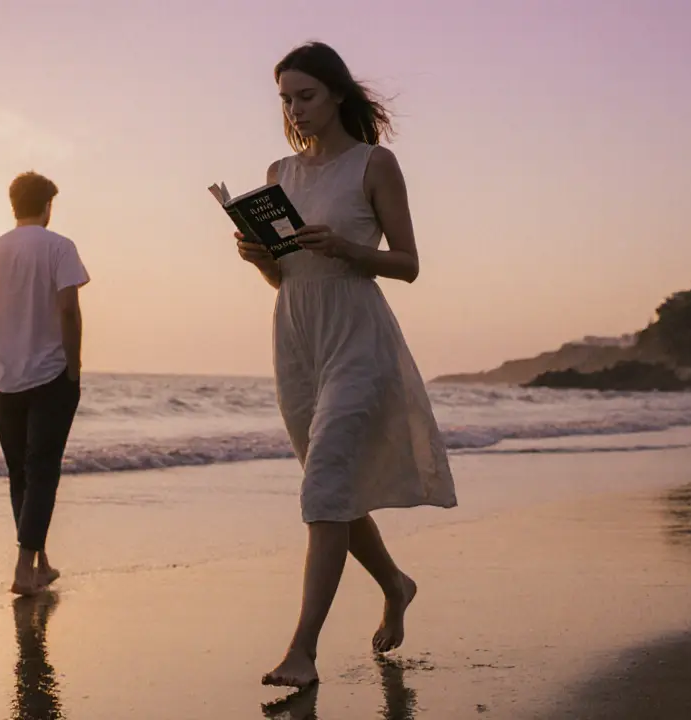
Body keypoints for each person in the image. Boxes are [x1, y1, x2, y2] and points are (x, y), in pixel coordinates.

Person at [234, 41, 457, 688]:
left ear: (336, 94)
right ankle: (395, 582)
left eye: (306, 96)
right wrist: (259, 260)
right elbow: (287, 280)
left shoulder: (374, 164)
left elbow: (409, 265)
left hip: (358, 335)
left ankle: (302, 650)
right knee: (331, 488)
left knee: (324, 485)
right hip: (296, 337)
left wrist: (347, 248)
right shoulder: (279, 173)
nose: (296, 110)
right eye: (285, 99)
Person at [0, 171, 90, 596]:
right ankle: (24, 569)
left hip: (4, 380)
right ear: (47, 207)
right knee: (42, 472)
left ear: (13, 204)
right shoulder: (59, 248)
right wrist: (74, 367)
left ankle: (38, 562)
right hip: (51, 375)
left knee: (20, 472)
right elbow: (69, 311)